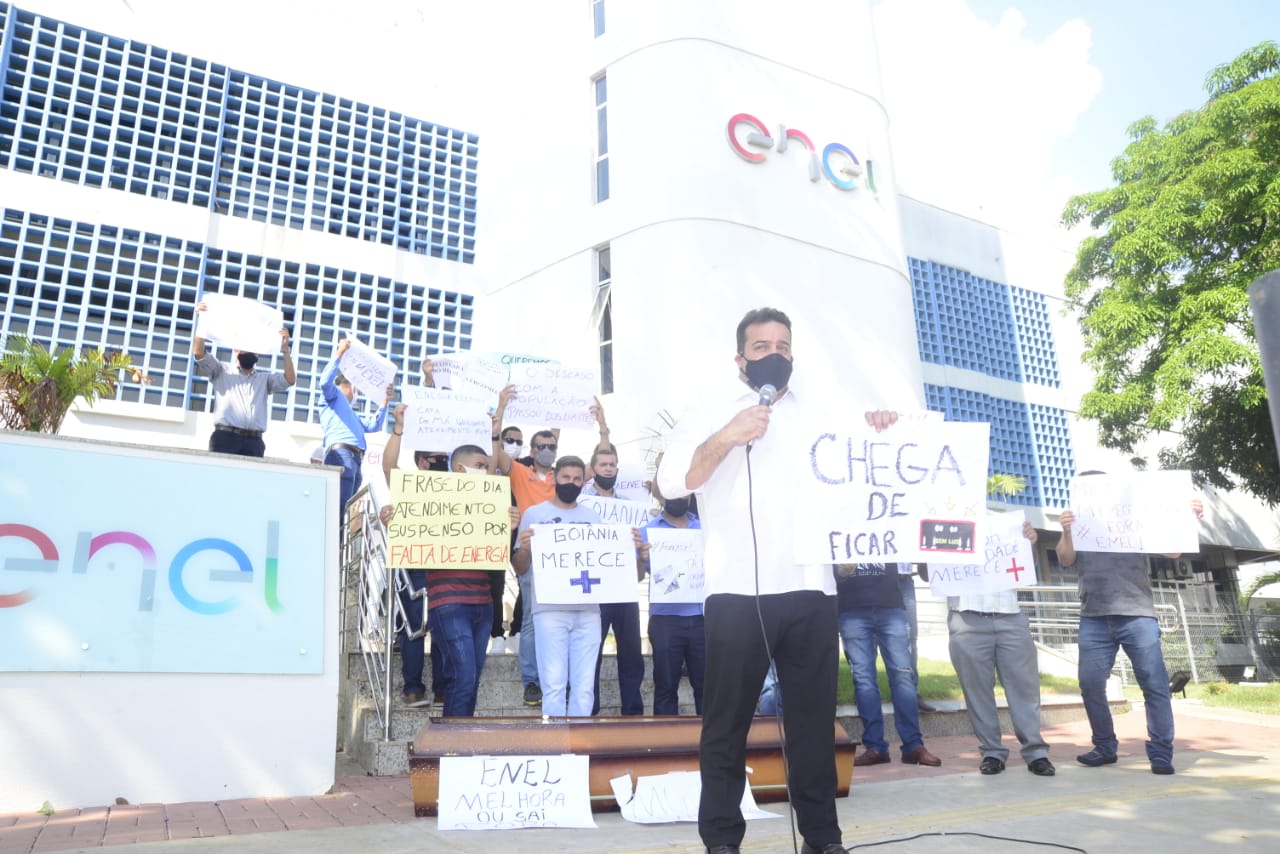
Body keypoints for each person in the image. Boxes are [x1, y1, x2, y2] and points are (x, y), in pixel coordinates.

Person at [657, 306, 892, 854]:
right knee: (725, 726)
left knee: (812, 726)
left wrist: (880, 430)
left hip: (812, 588)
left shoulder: (822, 416)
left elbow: (864, 475)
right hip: (737, 591)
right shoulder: (710, 411)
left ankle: (822, 838)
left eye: (783, 346)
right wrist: (724, 437)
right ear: (740, 360)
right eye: (761, 347)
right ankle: (721, 841)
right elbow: (674, 482)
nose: (774, 355)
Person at [1058, 475, 1204, 775]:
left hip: (1137, 613)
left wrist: (1188, 518)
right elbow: (1065, 558)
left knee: (1154, 684)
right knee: (1090, 684)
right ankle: (1104, 746)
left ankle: (1161, 753)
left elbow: (1173, 551)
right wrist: (1067, 531)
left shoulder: (1136, 517)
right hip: (1094, 616)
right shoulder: (1080, 524)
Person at [493, 387, 612, 708]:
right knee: (532, 622)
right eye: (541, 446)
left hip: (582, 597)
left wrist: (602, 426)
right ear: (533, 450)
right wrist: (502, 406)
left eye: (551, 446)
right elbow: (497, 455)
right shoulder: (521, 473)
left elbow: (602, 459)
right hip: (539, 565)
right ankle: (532, 681)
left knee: (583, 688)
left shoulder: (585, 506)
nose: (546, 449)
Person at [945, 520, 1055, 776]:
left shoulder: (1006, 523)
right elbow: (930, 574)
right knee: (977, 691)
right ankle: (992, 752)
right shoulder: (947, 526)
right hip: (966, 616)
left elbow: (1029, 568)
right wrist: (930, 549)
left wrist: (1030, 544)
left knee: (1024, 687)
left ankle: (1036, 752)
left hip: (1009, 615)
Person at [512, 455, 605, 717]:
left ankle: (580, 741)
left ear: (583, 481)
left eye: (577, 479)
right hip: (550, 610)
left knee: (584, 687)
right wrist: (526, 547)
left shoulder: (593, 518)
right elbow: (520, 567)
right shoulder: (535, 514)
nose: (571, 483)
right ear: (555, 477)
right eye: (566, 478)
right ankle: (554, 741)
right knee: (553, 685)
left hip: (588, 611)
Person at [838, 562, 942, 769]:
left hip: (890, 604)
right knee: (864, 679)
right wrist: (840, 572)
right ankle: (875, 746)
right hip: (852, 606)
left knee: (903, 675)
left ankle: (913, 745)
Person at [585, 442, 646, 716]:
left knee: (631, 654)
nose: (608, 469)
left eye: (612, 465)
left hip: (624, 589)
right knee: (591, 653)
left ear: (617, 469)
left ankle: (632, 709)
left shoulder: (630, 508)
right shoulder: (582, 504)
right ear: (593, 469)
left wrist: (637, 545)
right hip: (594, 589)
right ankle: (591, 708)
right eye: (603, 465)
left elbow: (640, 556)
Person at [191, 301, 295, 456]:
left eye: (254, 349)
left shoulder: (264, 380)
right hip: (225, 439)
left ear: (258, 354)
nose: (250, 351)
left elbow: (289, 379)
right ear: (236, 348)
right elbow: (199, 353)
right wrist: (203, 322)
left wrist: (285, 350)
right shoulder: (221, 371)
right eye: (246, 347)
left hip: (254, 443)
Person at [639, 480, 705, 716]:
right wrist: (641, 557)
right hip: (665, 619)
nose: (678, 499)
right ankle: (665, 744)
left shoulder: (705, 528)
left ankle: (709, 745)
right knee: (665, 685)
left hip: (703, 618)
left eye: (683, 494)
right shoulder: (647, 531)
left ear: (690, 497)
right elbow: (636, 576)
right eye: (672, 494)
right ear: (662, 497)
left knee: (707, 686)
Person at [320, 338, 392, 529]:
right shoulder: (333, 397)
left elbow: (373, 426)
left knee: (346, 510)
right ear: (350, 384)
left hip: (355, 459)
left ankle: (338, 547)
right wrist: (339, 354)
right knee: (338, 508)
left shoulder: (352, 414)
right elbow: (324, 382)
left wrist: (385, 402)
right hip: (341, 454)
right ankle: (333, 549)